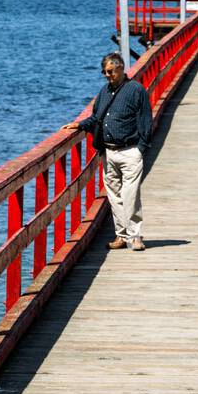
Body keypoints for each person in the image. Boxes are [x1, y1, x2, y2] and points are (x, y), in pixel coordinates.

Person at [63, 52, 153, 250]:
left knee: (131, 195)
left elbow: (146, 122)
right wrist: (79, 125)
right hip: (108, 152)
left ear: (121, 68)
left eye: (110, 71)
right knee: (114, 196)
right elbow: (96, 117)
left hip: (130, 150)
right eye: (104, 72)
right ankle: (121, 236)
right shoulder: (104, 91)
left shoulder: (136, 90)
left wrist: (141, 149)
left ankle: (135, 237)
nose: (107, 75)